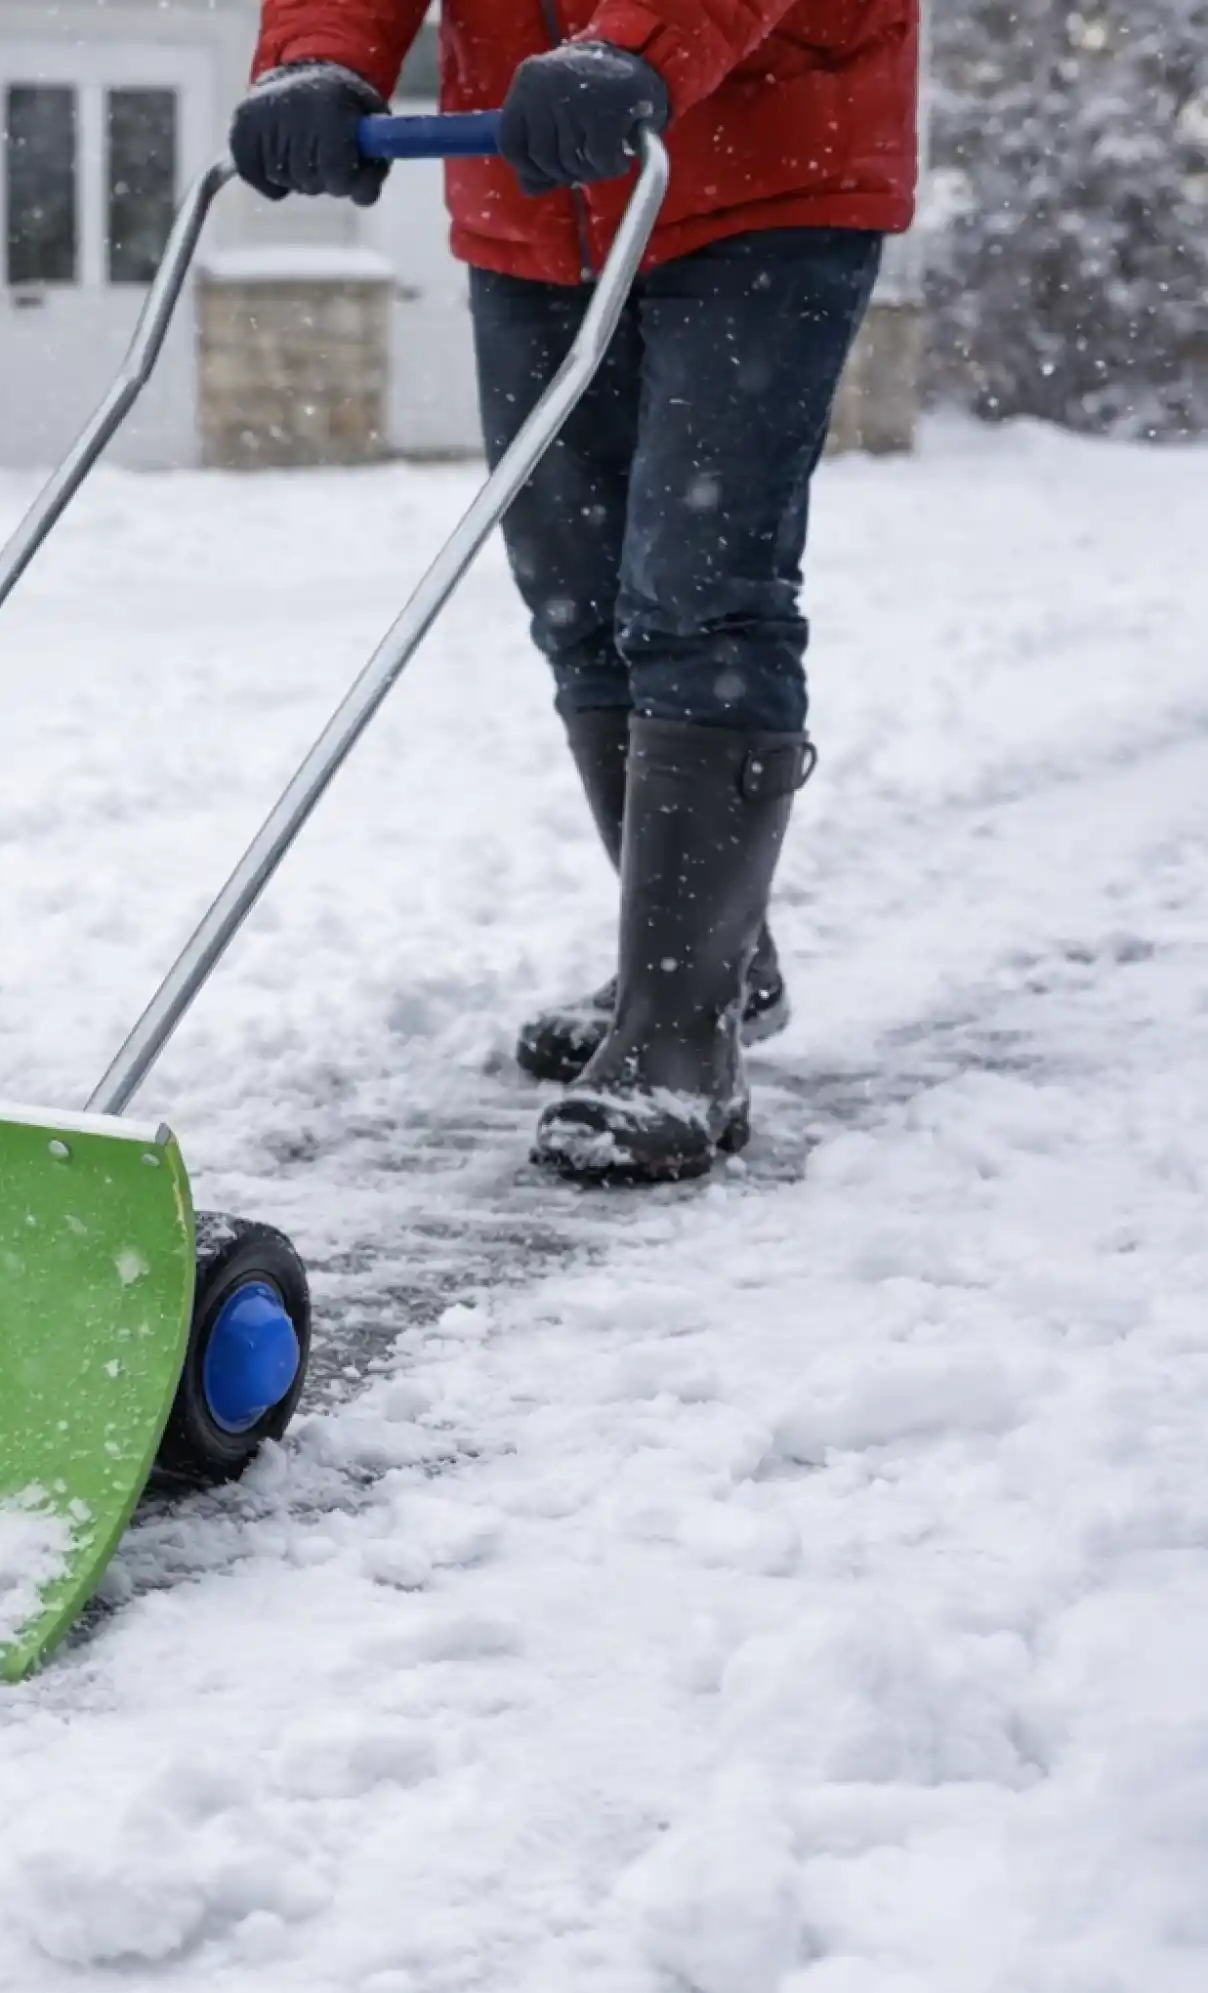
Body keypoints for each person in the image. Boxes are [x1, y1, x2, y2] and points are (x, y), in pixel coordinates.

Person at [229, 1, 919, 1184]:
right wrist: (320, 58)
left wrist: (638, 45)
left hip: (760, 161)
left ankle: (677, 1038)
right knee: (575, 597)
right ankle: (712, 961)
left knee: (700, 591)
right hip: (533, 188)